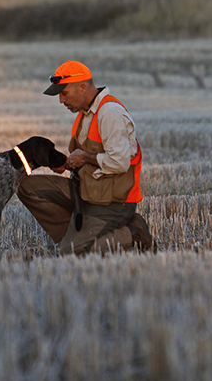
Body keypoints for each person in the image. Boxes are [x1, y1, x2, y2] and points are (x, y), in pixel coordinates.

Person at [18, 60, 155, 255]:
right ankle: (76, 235)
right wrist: (66, 163)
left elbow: (120, 162)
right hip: (86, 192)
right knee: (26, 187)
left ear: (82, 87)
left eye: (64, 93)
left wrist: (84, 158)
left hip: (112, 202)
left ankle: (132, 232)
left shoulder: (110, 113)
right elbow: (86, 155)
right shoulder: (86, 112)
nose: (61, 101)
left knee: (70, 253)